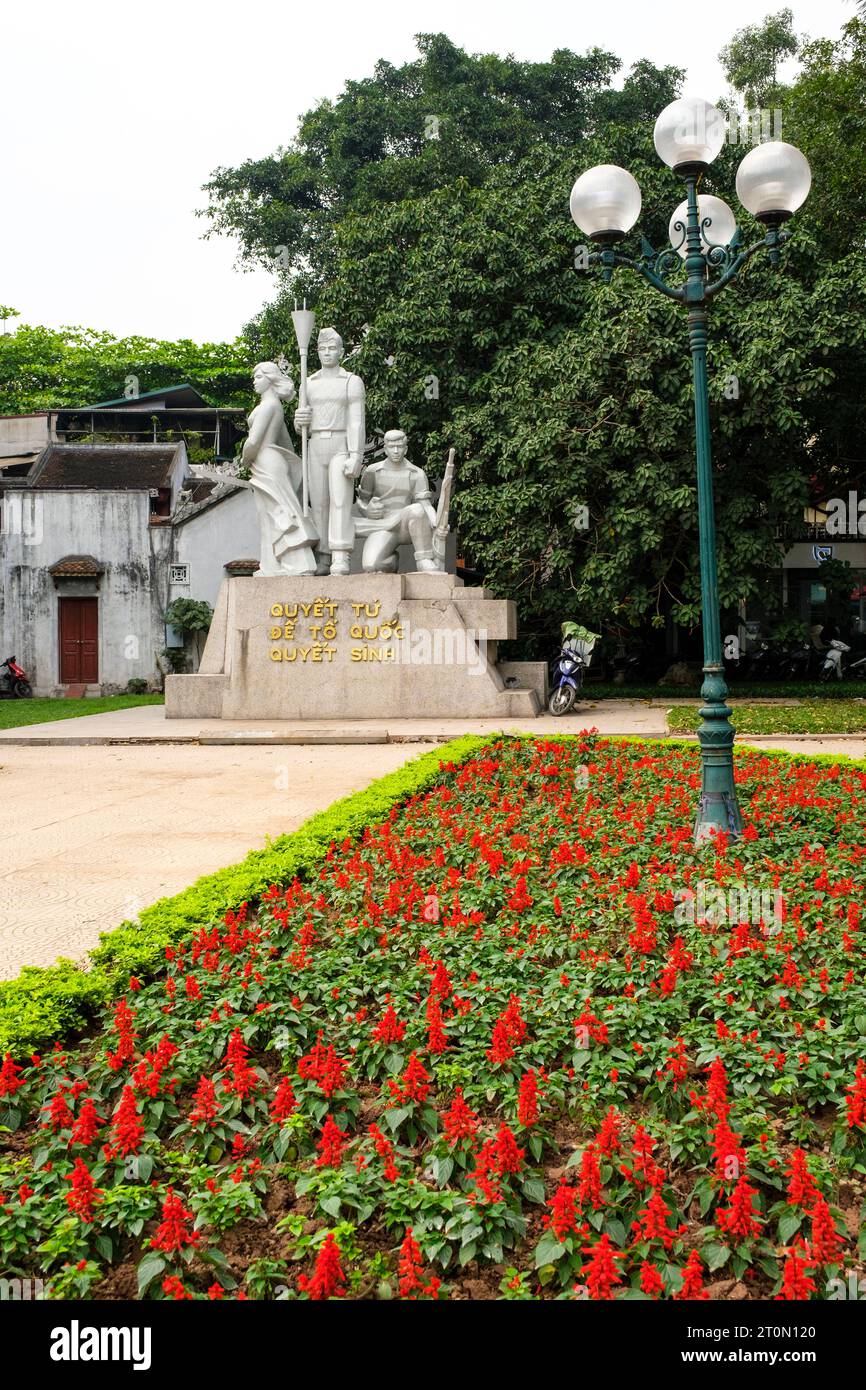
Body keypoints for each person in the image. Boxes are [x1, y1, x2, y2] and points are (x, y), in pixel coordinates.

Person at [293, 328, 365, 576]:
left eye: (332, 348)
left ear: (341, 352)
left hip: (341, 443)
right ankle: (323, 555)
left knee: (341, 500)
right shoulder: (308, 382)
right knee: (320, 503)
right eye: (322, 349)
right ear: (317, 352)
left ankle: (340, 554)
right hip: (315, 444)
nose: (327, 353)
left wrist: (356, 455)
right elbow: (300, 423)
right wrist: (299, 419)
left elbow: (357, 421)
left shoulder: (351, 381)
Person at [243, 362, 318, 576]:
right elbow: (286, 443)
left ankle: (293, 564)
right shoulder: (276, 407)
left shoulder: (268, 406)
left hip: (265, 461)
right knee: (275, 513)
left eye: (258, 377)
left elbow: (253, 441)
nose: (254, 381)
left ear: (270, 378)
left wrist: (244, 459)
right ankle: (272, 565)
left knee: (277, 514)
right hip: (272, 462)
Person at [353, 429, 439, 573]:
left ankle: (424, 559)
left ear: (405, 449)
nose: (396, 451)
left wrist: (437, 521)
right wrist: (367, 510)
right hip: (383, 525)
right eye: (392, 447)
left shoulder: (416, 473)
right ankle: (391, 560)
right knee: (371, 566)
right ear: (385, 449)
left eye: (400, 447)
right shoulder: (372, 472)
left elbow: (425, 504)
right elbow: (362, 502)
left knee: (417, 509)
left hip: (406, 524)